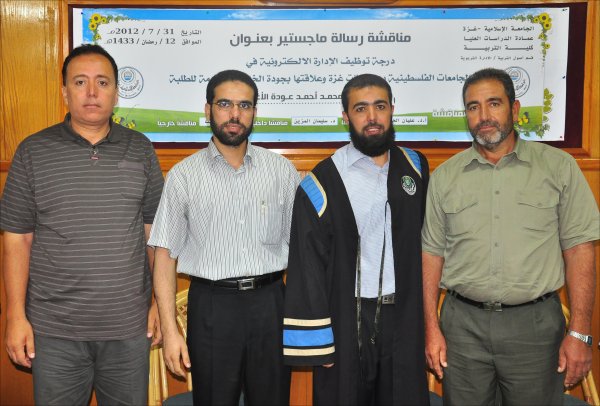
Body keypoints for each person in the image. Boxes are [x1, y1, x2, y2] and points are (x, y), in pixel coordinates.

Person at [422, 68, 599, 405]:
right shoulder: (444, 177)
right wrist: (431, 328)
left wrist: (579, 333)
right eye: (473, 107)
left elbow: (580, 250)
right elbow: (431, 254)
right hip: (462, 329)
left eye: (494, 103)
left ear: (514, 109)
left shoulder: (558, 168)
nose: (484, 116)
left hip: (534, 328)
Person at [0, 44, 164, 405]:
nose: (92, 92)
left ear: (116, 93)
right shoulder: (32, 151)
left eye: (102, 82)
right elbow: (16, 239)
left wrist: (159, 304)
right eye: (80, 82)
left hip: (128, 330)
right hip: (53, 331)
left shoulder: (140, 149)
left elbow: (155, 236)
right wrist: (15, 317)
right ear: (65, 92)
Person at [149, 69, 300, 405]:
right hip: (212, 308)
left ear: (254, 112)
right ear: (208, 110)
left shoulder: (281, 171)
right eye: (225, 104)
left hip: (271, 304)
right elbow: (164, 256)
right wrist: (170, 331)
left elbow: (302, 252)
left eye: (244, 105)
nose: (235, 114)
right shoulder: (184, 176)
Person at [283, 73, 430, 405]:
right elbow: (307, 266)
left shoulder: (416, 167)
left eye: (380, 106)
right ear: (346, 117)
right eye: (361, 109)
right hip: (346, 320)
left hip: (403, 317)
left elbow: (428, 244)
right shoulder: (321, 182)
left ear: (392, 110)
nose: (372, 117)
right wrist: (319, 343)